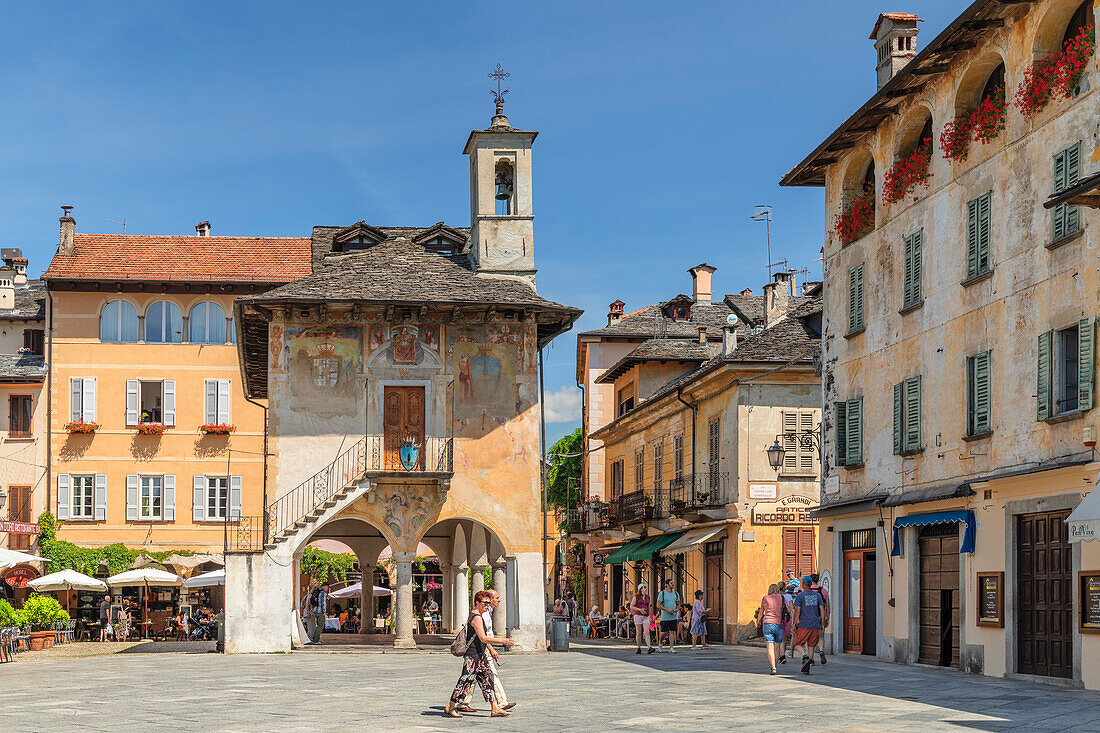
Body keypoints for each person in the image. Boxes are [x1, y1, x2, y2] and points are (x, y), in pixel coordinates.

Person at [444, 590, 515, 718]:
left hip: (480, 655)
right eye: (485, 603)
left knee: (487, 680)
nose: (487, 606)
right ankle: (451, 706)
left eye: (489, 603)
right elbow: (483, 637)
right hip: (473, 655)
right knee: (465, 681)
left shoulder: (479, 616)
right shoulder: (476, 617)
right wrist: (502, 640)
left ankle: (495, 708)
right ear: (477, 603)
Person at [792, 576, 828, 675]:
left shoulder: (800, 596)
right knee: (811, 645)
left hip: (804, 624)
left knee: (797, 643)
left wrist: (794, 623)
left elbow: (798, 611)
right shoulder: (817, 595)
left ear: (803, 584)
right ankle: (808, 667)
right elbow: (822, 609)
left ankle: (805, 657)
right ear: (811, 584)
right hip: (816, 624)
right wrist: (822, 623)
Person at [757, 584, 788, 674]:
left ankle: (773, 667)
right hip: (780, 624)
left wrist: (758, 621)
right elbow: (787, 609)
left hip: (768, 623)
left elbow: (761, 611)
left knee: (770, 646)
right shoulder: (782, 598)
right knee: (777, 646)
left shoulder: (765, 598)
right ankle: (775, 665)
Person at [656, 579, 681, 653]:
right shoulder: (662, 593)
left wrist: (677, 609)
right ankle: (660, 642)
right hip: (665, 616)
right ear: (667, 584)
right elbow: (658, 605)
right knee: (664, 632)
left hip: (673, 616)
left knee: (672, 632)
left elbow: (678, 604)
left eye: (673, 583)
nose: (673, 584)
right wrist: (667, 610)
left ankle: (671, 648)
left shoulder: (676, 593)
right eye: (671, 583)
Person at [810, 573, 829, 666]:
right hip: (821, 617)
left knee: (810, 638)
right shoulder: (823, 590)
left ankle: (811, 658)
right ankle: (821, 651)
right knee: (820, 636)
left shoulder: (807, 590)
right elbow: (827, 605)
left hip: (810, 618)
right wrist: (827, 617)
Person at [629, 583, 653, 654]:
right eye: (644, 587)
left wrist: (651, 617)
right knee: (638, 632)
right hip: (638, 615)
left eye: (646, 587)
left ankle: (649, 648)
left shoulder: (648, 597)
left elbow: (649, 607)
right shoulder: (636, 597)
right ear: (640, 589)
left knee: (647, 632)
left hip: (646, 616)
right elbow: (631, 606)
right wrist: (640, 609)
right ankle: (639, 647)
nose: (646, 589)